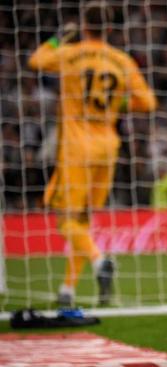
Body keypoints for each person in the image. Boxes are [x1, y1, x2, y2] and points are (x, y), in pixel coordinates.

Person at [29, 1, 157, 306]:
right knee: (83, 222)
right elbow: (148, 103)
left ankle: (100, 262)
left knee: (66, 220)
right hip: (107, 147)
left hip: (76, 146)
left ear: (84, 26)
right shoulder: (121, 60)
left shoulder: (71, 54)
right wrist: (116, 106)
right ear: (110, 28)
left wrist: (61, 37)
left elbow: (36, 60)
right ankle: (68, 289)